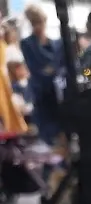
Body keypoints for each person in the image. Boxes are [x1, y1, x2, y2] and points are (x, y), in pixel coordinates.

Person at [20, 4, 61, 144]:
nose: (38, 26)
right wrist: (51, 70)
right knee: (48, 135)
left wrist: (51, 70)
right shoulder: (27, 44)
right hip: (41, 95)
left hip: (58, 95)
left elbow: (60, 67)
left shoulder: (57, 44)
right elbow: (36, 70)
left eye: (40, 22)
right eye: (34, 23)